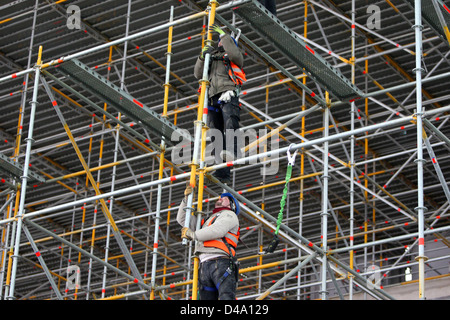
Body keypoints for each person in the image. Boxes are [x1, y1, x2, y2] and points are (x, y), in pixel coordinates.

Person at [194, 24, 245, 185]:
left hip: (227, 91)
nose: (221, 42)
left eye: (224, 40)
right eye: (221, 40)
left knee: (230, 122)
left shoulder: (230, 55)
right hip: (211, 97)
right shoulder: (213, 56)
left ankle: (233, 151)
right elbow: (198, 73)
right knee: (215, 132)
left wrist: (225, 36)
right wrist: (202, 57)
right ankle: (222, 170)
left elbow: (236, 56)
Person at [177, 184, 240, 300]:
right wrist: (186, 201)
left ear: (231, 205)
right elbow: (182, 219)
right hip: (205, 264)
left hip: (221, 261)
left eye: (224, 198)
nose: (220, 198)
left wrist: (193, 234)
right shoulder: (208, 220)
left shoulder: (229, 215)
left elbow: (218, 230)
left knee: (226, 298)